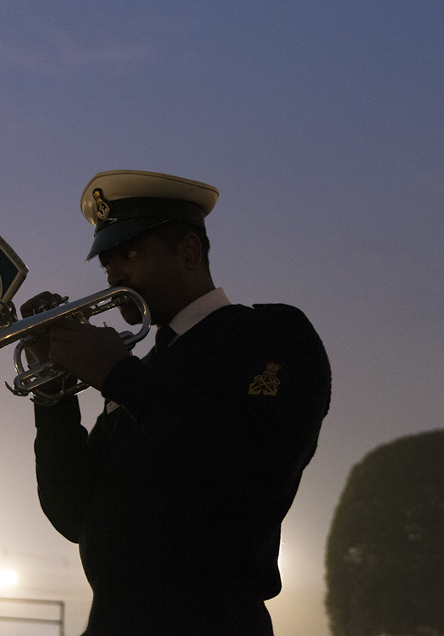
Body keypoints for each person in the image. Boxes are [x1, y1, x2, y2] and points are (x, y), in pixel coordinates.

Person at [22, 170, 332, 635]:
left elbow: (257, 467)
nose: (113, 274)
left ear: (188, 251)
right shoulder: (141, 369)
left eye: (129, 253)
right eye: (107, 262)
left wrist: (118, 376)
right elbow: (72, 513)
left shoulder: (269, 334)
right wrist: (53, 396)